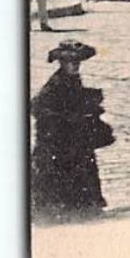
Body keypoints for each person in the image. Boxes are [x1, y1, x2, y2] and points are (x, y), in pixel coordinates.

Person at [30, 40, 113, 221]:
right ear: (62, 63)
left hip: (73, 135)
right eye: (71, 63)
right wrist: (64, 117)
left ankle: (82, 205)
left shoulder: (73, 79)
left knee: (82, 164)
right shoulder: (56, 83)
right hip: (57, 140)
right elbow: (36, 106)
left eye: (77, 63)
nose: (75, 66)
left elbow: (75, 99)